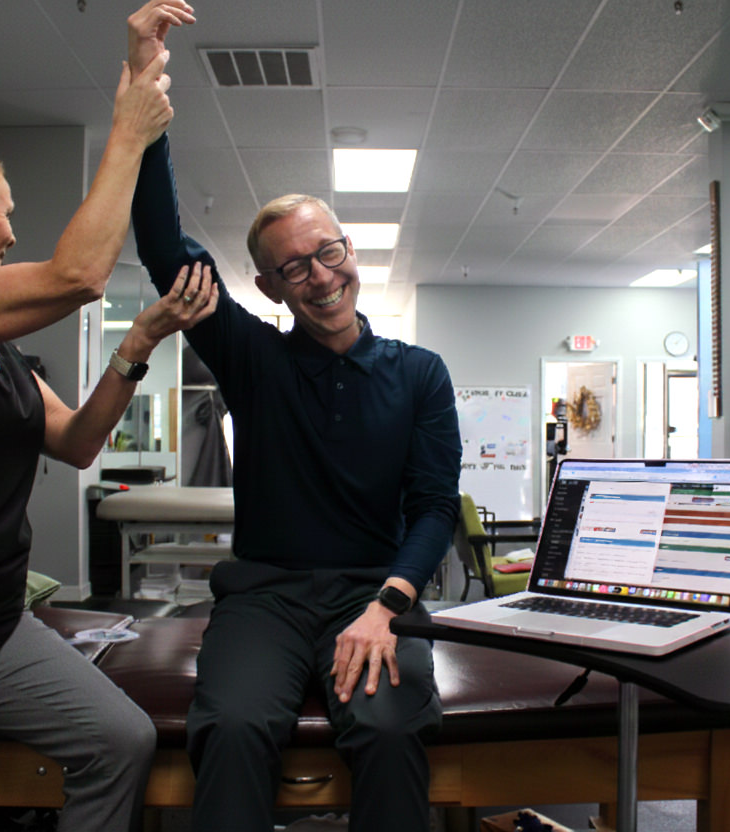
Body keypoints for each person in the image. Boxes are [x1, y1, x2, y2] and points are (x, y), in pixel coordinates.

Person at [128, 5, 461, 832]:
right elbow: (166, 247)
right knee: (235, 728)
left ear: (349, 251)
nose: (318, 275)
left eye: (328, 252)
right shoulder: (253, 358)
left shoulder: (420, 374)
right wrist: (147, 91)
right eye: (292, 268)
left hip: (372, 592)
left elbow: (430, 508)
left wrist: (388, 604)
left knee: (387, 730)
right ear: (271, 288)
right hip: (264, 599)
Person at [0, 3, 215, 831]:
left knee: (117, 738)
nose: (15, 230)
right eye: (7, 210)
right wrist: (126, 128)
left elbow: (79, 444)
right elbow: (82, 272)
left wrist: (143, 340)